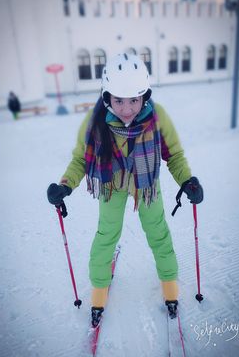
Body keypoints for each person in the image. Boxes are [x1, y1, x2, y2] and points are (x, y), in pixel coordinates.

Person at [47, 53, 203, 327]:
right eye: (119, 100)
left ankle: (169, 285)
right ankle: (98, 290)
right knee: (106, 234)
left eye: (134, 99)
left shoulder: (157, 117)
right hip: (111, 186)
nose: (127, 108)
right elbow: (80, 159)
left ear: (145, 95)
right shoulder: (95, 121)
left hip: (146, 186)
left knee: (158, 231)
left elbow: (174, 155)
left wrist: (187, 181)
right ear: (107, 97)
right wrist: (65, 185)